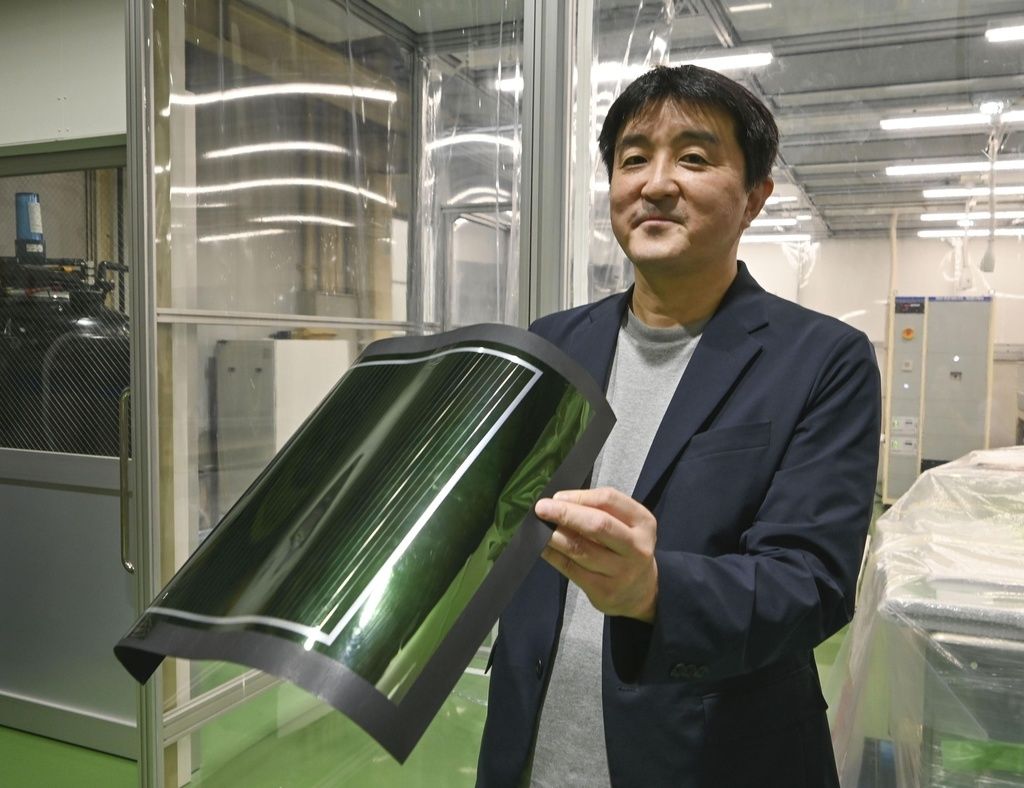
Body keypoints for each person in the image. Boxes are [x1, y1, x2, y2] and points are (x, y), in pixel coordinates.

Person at [476, 64, 881, 788]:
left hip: (711, 756)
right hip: (533, 745)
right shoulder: (553, 342)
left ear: (755, 197)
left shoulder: (822, 359)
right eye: (634, 159)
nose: (656, 183)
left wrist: (655, 589)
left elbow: (813, 582)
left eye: (694, 158)